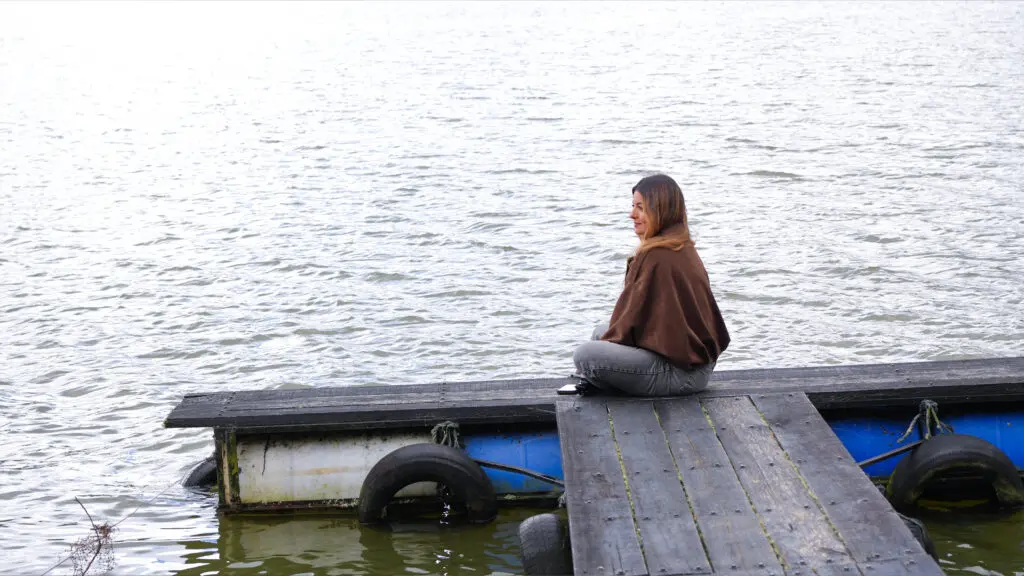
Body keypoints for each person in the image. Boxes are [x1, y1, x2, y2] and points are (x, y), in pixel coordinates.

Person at [572, 174, 729, 396]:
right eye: (633, 206)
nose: (632, 214)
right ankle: (600, 380)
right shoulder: (682, 246)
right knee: (601, 332)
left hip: (679, 373)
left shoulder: (655, 255)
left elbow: (629, 322)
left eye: (641, 208)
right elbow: (644, 319)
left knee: (585, 355)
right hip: (698, 367)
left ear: (660, 211)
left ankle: (599, 382)